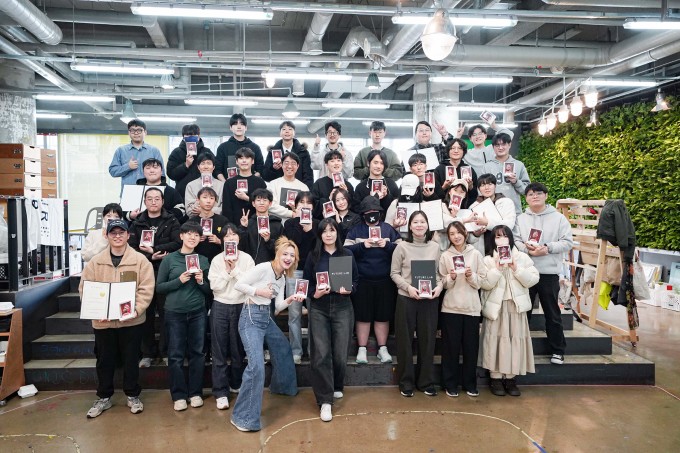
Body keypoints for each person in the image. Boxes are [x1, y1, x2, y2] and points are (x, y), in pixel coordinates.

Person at [79, 219, 155, 418]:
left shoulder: (140, 260)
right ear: (107, 235)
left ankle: (132, 395)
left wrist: (136, 310)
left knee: (131, 359)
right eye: (113, 233)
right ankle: (104, 397)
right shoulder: (95, 262)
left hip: (131, 322)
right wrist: (96, 311)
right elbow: (85, 288)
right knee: (104, 360)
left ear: (128, 235)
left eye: (122, 233)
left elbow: (146, 289)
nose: (118, 236)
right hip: (103, 323)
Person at [231, 238, 304, 432]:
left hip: (266, 317)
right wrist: (260, 291)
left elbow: (278, 307)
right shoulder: (264, 268)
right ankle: (242, 418)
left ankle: (282, 387)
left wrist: (291, 298)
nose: (288, 258)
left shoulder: (282, 277)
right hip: (251, 317)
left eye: (292, 255)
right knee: (256, 367)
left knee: (283, 348)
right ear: (278, 254)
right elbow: (240, 284)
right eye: (285, 254)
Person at [303, 218, 358, 422]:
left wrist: (350, 289)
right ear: (320, 235)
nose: (328, 234)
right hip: (319, 307)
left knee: (340, 353)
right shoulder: (314, 256)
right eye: (324, 231)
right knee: (320, 353)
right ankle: (325, 400)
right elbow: (306, 284)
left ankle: (336, 385)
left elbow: (356, 280)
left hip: (343, 306)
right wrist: (314, 294)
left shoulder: (347, 254)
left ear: (337, 233)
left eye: (332, 230)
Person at [155, 222, 212, 411]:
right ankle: (178, 395)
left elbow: (209, 290)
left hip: (198, 312)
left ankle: (195, 393)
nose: (192, 237)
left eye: (196, 235)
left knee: (198, 353)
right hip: (174, 313)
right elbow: (159, 287)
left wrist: (201, 281)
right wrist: (179, 281)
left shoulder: (203, 260)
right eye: (188, 233)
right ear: (181, 236)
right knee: (176, 355)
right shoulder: (169, 260)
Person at [515, 183, 573, 365]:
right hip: (526, 272)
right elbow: (515, 239)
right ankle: (519, 350)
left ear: (546, 196)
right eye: (530, 194)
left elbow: (567, 242)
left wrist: (547, 248)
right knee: (523, 313)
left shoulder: (559, 218)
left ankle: (557, 350)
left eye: (539, 193)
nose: (535, 196)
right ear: (526, 198)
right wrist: (526, 249)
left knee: (552, 313)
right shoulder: (521, 219)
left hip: (548, 272)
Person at [479, 225, 539, 396]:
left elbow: (533, 279)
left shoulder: (522, 258)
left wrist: (515, 268)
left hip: (516, 307)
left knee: (514, 341)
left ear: (511, 238)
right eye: (497, 237)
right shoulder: (487, 260)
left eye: (504, 236)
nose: (501, 240)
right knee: (494, 342)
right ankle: (495, 378)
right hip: (496, 308)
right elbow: (484, 284)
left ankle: (511, 378)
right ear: (493, 240)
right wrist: (497, 269)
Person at [390, 211, 443, 397]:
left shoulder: (435, 247)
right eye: (415, 222)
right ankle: (406, 382)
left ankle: (425, 382)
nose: (419, 225)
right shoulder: (401, 247)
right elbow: (394, 273)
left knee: (427, 341)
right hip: (407, 298)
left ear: (427, 225)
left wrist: (439, 287)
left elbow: (440, 274)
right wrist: (408, 288)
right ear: (410, 226)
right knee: (404, 341)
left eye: (422, 221)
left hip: (429, 300)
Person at [128, 187, 182, 367]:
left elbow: (178, 242)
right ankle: (147, 353)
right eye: (150, 198)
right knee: (145, 314)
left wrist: (156, 249)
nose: (153, 202)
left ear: (163, 201)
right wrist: (151, 256)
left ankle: (166, 352)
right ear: (145, 201)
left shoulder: (171, 220)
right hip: (143, 273)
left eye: (157, 198)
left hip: (166, 273)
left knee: (166, 313)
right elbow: (131, 247)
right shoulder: (137, 223)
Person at [344, 195, 401, 364]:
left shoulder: (388, 229)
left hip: (385, 280)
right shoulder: (355, 230)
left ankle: (382, 348)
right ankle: (362, 349)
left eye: (375, 212)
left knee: (383, 315)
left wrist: (388, 245)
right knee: (363, 315)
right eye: (368, 212)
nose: (372, 215)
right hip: (362, 280)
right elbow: (345, 251)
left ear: (380, 213)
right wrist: (362, 245)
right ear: (363, 214)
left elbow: (402, 249)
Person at [208, 223, 255, 410]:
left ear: (239, 238)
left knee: (238, 349)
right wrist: (228, 272)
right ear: (222, 240)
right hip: (220, 305)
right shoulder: (216, 260)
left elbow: (248, 284)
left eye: (234, 235)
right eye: (227, 236)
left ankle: (236, 383)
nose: (230, 238)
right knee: (218, 350)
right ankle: (220, 392)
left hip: (241, 305)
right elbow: (215, 286)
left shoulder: (247, 259)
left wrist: (234, 268)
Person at [438, 221, 486, 397]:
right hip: (451, 308)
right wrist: (450, 278)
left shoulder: (476, 254)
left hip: (471, 309)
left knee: (470, 349)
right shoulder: (445, 256)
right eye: (452, 234)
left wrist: (470, 276)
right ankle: (449, 384)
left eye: (458, 232)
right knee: (450, 349)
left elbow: (481, 281)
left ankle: (470, 384)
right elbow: (442, 283)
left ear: (465, 233)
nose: (456, 236)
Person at [283, 192, 319, 364]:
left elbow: (319, 247)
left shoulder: (318, 224)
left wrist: (310, 230)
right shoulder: (289, 223)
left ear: (313, 207)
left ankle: (313, 351)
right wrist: (300, 223)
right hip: (295, 271)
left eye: (308, 202)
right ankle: (296, 351)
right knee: (294, 314)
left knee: (314, 314)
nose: (305, 205)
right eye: (301, 202)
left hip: (313, 273)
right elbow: (292, 244)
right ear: (296, 206)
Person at [109, 119, 164, 196]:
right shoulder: (121, 151)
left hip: (150, 194)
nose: (136, 133)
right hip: (128, 193)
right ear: (129, 133)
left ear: (145, 132)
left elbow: (162, 174)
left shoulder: (154, 151)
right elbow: (113, 171)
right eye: (132, 130)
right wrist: (128, 167)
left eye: (139, 130)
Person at [468, 173, 517, 255]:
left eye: (490, 184)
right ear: (479, 189)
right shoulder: (473, 207)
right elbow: (469, 235)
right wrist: (476, 234)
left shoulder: (506, 202)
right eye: (483, 185)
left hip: (504, 246)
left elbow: (509, 225)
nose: (486, 188)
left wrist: (487, 222)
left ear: (495, 186)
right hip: (483, 248)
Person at [482, 133, 531, 215]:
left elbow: (526, 191)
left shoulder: (519, 165)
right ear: (493, 147)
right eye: (497, 145)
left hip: (514, 211)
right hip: (493, 212)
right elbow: (481, 191)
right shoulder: (487, 166)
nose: (500, 148)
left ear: (509, 145)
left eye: (503, 144)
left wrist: (516, 181)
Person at [126, 158, 185, 223]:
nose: (152, 171)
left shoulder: (171, 191)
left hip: (166, 226)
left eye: (155, 167)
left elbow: (181, 209)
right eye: (148, 168)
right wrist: (130, 215)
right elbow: (123, 211)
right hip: (138, 226)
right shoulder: (133, 191)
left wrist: (164, 215)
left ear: (161, 171)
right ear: (143, 172)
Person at [166, 124, 216, 199]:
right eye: (188, 136)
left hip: (204, 192)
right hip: (183, 194)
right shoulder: (176, 152)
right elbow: (171, 174)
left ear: (199, 136)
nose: (191, 138)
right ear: (183, 137)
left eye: (194, 135)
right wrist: (185, 165)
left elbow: (215, 169)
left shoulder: (207, 152)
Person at [222, 147, 268, 225]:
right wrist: (230, 227)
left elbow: (264, 205)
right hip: (235, 226)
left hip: (256, 225)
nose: (244, 161)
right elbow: (226, 209)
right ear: (236, 161)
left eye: (247, 158)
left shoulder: (260, 182)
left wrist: (247, 198)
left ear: (252, 161)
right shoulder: (229, 183)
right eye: (241, 158)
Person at [263, 120, 314, 188]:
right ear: (280, 133)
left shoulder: (303, 152)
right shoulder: (272, 152)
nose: (287, 131)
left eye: (290, 129)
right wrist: (273, 169)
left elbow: (308, 176)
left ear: (294, 133)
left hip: (298, 189)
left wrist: (305, 191)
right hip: (278, 189)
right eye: (284, 129)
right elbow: (265, 176)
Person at [215, 113, 264, 180]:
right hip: (229, 185)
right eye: (235, 124)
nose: (239, 127)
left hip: (251, 185)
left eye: (242, 124)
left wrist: (251, 181)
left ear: (246, 128)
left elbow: (260, 168)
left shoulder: (255, 148)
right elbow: (217, 170)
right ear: (230, 127)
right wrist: (226, 183)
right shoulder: (223, 147)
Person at [353, 149, 400, 218]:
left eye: (382, 163)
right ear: (368, 163)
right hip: (367, 222)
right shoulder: (361, 186)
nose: (378, 166)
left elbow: (397, 207)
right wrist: (371, 198)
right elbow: (356, 209)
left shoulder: (391, 184)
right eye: (375, 162)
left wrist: (386, 197)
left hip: (388, 223)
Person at [266, 152, 310, 222]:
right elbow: (270, 205)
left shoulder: (303, 187)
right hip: (276, 224)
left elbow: (306, 208)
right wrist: (291, 213)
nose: (289, 166)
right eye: (286, 163)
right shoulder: (273, 184)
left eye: (293, 163)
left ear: (298, 166)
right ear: (281, 165)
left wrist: (295, 210)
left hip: (297, 224)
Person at [311, 150, 355, 220]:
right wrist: (328, 199)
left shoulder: (348, 185)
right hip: (324, 222)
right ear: (326, 165)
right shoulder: (319, 184)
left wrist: (346, 195)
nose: (336, 163)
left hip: (344, 223)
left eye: (338, 160)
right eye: (332, 161)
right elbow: (314, 209)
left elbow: (354, 209)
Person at [434, 138, 478, 207]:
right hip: (443, 207)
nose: (456, 151)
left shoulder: (469, 170)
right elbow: (433, 195)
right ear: (448, 151)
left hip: (465, 208)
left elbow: (474, 195)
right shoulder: (439, 169)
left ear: (464, 151)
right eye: (453, 148)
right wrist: (444, 187)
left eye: (460, 148)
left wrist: (470, 187)